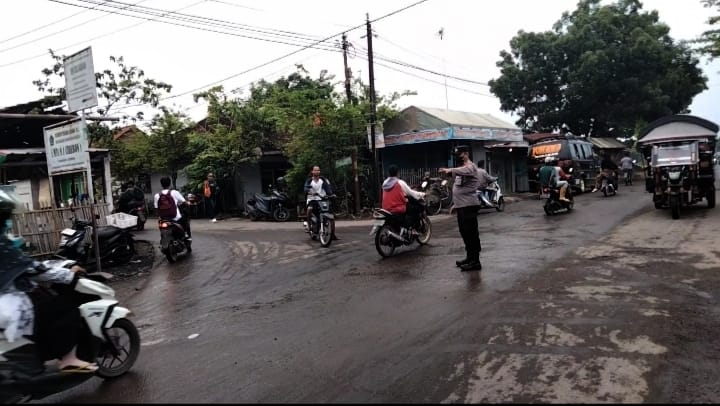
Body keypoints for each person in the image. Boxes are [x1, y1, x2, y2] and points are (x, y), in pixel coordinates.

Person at [0, 189, 95, 373]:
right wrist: (68, 274)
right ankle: (68, 359)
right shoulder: (3, 245)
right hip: (11, 305)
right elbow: (33, 269)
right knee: (67, 307)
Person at [439, 145, 483, 272]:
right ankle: (470, 258)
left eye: (460, 154)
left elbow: (465, 170)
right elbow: (460, 187)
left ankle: (476, 261)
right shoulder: (461, 169)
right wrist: (455, 204)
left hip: (469, 205)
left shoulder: (470, 166)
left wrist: (450, 169)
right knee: (464, 233)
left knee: (471, 234)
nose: (458, 157)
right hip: (462, 206)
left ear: (466, 154)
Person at [381, 165, 426, 236]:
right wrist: (422, 194)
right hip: (398, 208)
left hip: (386, 208)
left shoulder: (385, 183)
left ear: (388, 173)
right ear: (398, 173)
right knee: (417, 208)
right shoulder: (400, 182)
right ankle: (413, 230)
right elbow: (411, 193)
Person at [303, 165, 338, 240]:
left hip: (322, 199)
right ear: (312, 171)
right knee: (309, 209)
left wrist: (331, 194)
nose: (317, 171)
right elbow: (305, 188)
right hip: (312, 199)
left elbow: (328, 188)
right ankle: (309, 226)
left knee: (331, 215)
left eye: (318, 170)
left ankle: (332, 234)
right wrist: (309, 191)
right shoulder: (309, 180)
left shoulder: (323, 180)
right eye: (315, 170)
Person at [154, 176, 191, 241]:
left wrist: (160, 216)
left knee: (160, 225)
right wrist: (188, 203)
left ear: (161, 184)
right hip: (175, 218)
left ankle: (163, 239)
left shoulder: (157, 195)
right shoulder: (174, 192)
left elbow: (156, 209)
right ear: (170, 184)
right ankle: (186, 234)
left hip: (163, 219)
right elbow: (185, 202)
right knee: (185, 219)